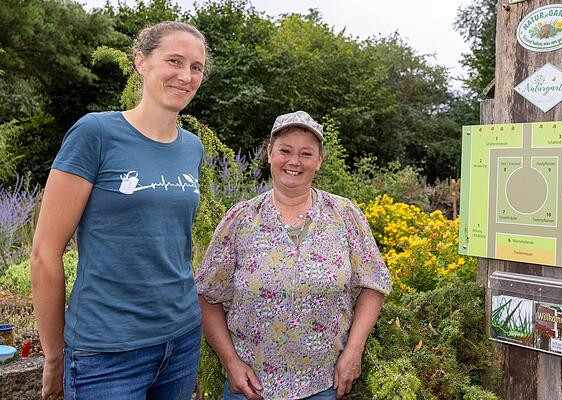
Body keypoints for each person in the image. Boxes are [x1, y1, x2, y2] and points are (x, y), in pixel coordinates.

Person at [30, 21, 209, 400]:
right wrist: (54, 355)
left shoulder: (192, 148)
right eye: (174, 61)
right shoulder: (95, 133)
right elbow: (45, 253)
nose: (186, 75)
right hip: (107, 352)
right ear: (141, 61)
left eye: (196, 67)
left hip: (180, 340)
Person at [196, 111, 392, 400]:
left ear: (319, 160)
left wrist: (353, 351)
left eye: (306, 153)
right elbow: (206, 295)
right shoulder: (240, 219)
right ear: (269, 153)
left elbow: (373, 284)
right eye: (285, 151)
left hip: (324, 385)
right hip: (251, 388)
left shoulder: (344, 215)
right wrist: (231, 363)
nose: (294, 162)